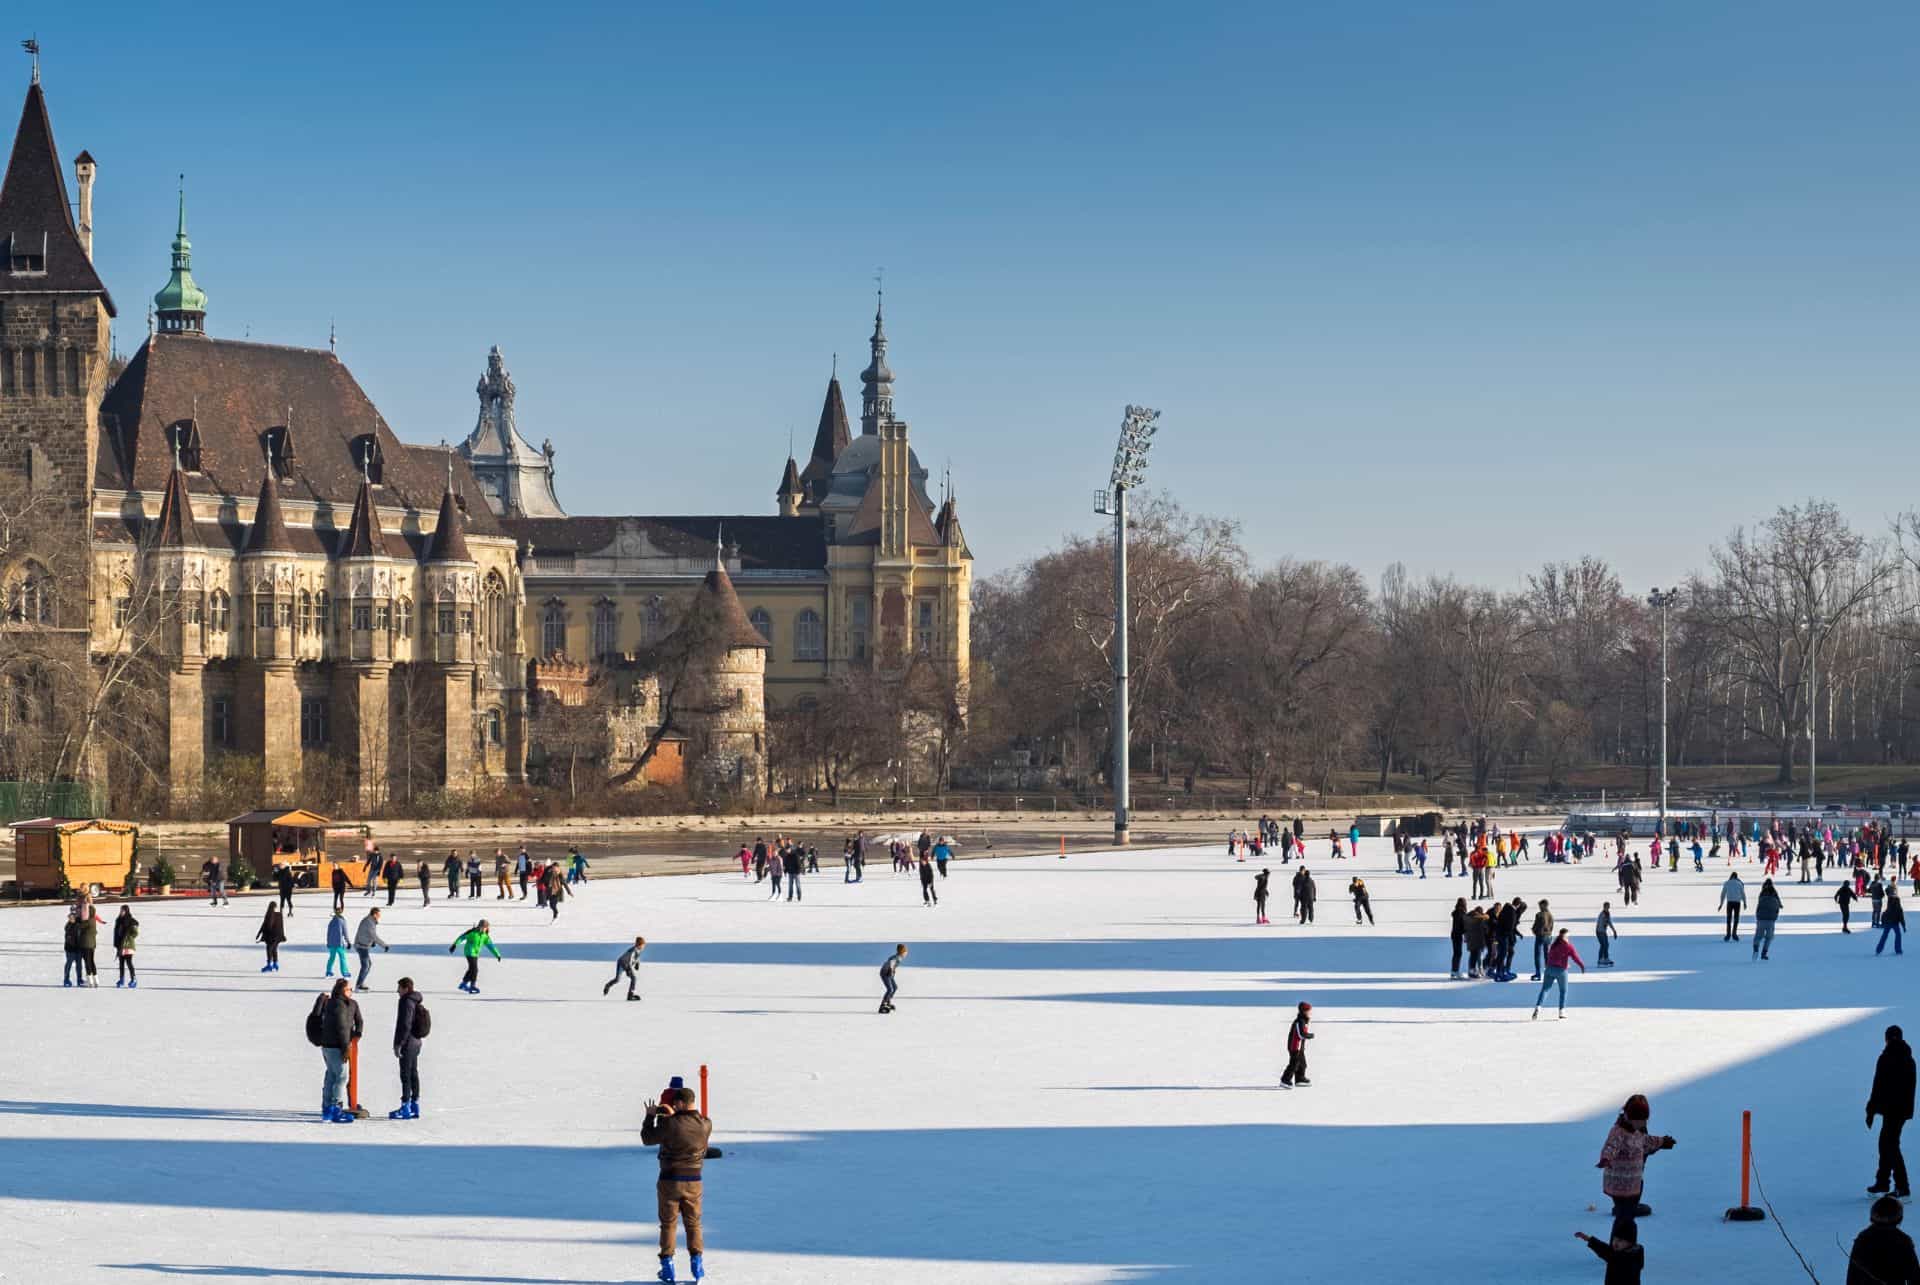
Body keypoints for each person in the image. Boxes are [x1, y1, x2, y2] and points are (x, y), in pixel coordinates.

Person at [642, 1085, 714, 1283]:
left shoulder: (670, 1124)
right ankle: (697, 1264)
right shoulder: (706, 1124)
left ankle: (667, 1267)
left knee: (669, 1224)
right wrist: (673, 1116)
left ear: (681, 1103)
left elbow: (647, 1139)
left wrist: (651, 1116)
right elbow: (688, 1130)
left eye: (675, 1103)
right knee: (694, 1223)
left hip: (670, 1180)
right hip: (695, 1181)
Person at [1597, 1094, 1675, 1223]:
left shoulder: (1637, 1131)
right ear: (1629, 1117)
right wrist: (1606, 1158)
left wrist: (1662, 1142)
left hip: (1633, 1180)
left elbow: (1646, 1141)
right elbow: (1611, 1146)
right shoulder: (1619, 1132)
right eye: (1640, 1120)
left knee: (1636, 1194)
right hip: (1619, 1181)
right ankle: (1623, 1221)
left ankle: (1628, 1210)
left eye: (1645, 1120)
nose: (1644, 1123)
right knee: (1625, 1219)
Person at [1867, 1024, 1916, 1199]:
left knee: (1890, 1145)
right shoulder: (1909, 1059)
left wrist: (1871, 1110)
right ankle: (1883, 1182)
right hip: (1901, 1111)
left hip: (1891, 1110)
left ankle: (1902, 1187)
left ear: (1886, 1038)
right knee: (1886, 1143)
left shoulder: (1886, 1058)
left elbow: (1877, 1086)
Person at [315, 977, 363, 1123]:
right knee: (341, 1077)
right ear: (343, 990)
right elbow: (342, 1028)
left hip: (327, 1045)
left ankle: (327, 1108)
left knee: (331, 1075)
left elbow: (358, 1021)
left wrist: (356, 1033)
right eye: (349, 989)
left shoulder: (333, 1003)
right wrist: (345, 1048)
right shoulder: (340, 1005)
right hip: (336, 1046)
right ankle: (335, 1108)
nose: (351, 992)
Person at [1848, 1195, 1920, 1285]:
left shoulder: (1863, 1238)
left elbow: (1853, 1275)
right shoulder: (1902, 1240)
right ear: (1899, 1218)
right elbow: (1914, 1276)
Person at [389, 977, 427, 1120]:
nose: (397, 991)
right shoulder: (416, 1000)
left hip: (408, 1042)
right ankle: (415, 1105)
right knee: (413, 1073)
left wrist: (398, 1044)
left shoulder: (406, 1001)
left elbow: (404, 1024)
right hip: (417, 1041)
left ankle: (405, 1107)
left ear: (405, 988)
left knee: (405, 1075)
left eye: (399, 988)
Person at [1532, 928, 1585, 1020]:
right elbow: (1575, 957)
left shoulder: (1554, 944)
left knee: (1545, 989)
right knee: (1563, 991)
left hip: (1549, 969)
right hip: (1561, 971)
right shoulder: (1569, 946)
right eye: (1568, 936)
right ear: (1565, 936)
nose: (1569, 938)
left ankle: (1538, 1007)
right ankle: (1561, 1011)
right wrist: (1582, 966)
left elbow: (1550, 956)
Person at [1574, 1220, 1644, 1285]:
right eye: (1614, 1239)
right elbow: (1605, 1250)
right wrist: (1589, 1239)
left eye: (1620, 1240)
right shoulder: (1619, 1252)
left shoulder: (1631, 1257)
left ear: (1630, 1243)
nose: (1615, 1243)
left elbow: (1609, 1253)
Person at [450, 920, 502, 993]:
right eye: (483, 927)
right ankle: (472, 985)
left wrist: (497, 955)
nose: (484, 929)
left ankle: (463, 983)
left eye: (485, 928)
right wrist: (454, 945)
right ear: (479, 926)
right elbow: (462, 937)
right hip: (469, 952)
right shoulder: (472, 932)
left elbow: (491, 946)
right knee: (475, 969)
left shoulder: (485, 936)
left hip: (476, 954)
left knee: (471, 969)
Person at [354, 907, 390, 988]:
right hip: (361, 946)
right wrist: (384, 945)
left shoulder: (370, 921)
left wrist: (372, 942)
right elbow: (373, 935)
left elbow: (367, 933)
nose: (380, 916)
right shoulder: (369, 922)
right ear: (374, 914)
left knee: (368, 965)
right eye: (378, 914)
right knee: (365, 965)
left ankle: (360, 983)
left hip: (363, 945)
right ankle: (359, 984)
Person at [1281, 1001, 1313, 1087]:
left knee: (1302, 1064)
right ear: (1304, 1011)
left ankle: (1300, 1079)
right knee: (1294, 1064)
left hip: (1299, 1047)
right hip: (1294, 1047)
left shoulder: (1304, 1020)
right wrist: (1309, 1035)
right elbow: (1301, 1034)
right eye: (1309, 1011)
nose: (1310, 1012)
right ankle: (1285, 1080)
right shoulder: (1300, 1021)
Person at [605, 936, 646, 1000]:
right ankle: (630, 995)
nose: (644, 947)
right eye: (643, 945)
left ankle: (630, 994)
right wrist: (628, 969)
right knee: (626, 979)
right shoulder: (633, 950)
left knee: (627, 979)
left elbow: (637, 958)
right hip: (622, 963)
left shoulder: (638, 951)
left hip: (626, 964)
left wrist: (637, 964)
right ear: (639, 945)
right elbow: (629, 959)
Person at [1752, 878, 1782, 960]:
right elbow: (1779, 905)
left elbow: (1758, 906)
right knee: (1769, 937)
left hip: (1761, 918)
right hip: (1770, 919)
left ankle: (1755, 948)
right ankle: (1764, 953)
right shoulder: (1774, 893)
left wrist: (1758, 915)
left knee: (1758, 936)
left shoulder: (1762, 894)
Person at [112, 905, 139, 988]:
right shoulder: (118, 920)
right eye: (120, 910)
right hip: (120, 945)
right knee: (121, 963)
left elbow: (135, 933)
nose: (121, 912)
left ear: (126, 911)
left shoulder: (131, 921)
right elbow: (116, 932)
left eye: (123, 911)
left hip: (128, 945)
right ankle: (122, 979)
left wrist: (129, 937)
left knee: (129, 962)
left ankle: (133, 979)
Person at [257, 901, 287, 972]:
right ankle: (275, 964)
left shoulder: (269, 914)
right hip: (277, 935)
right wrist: (282, 935)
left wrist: (259, 933)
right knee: (274, 949)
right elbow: (281, 926)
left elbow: (265, 925)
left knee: (269, 949)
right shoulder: (279, 915)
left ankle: (269, 965)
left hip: (270, 936)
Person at [1530, 899, 1555, 980]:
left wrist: (1534, 930)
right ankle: (1549, 973)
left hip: (1540, 936)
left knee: (1537, 955)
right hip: (1548, 936)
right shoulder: (1550, 915)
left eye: (1540, 905)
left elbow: (1537, 925)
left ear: (1543, 905)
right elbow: (1551, 926)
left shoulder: (1539, 915)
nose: (1539, 907)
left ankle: (1538, 973)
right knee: (1547, 955)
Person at [879, 943, 906, 1013]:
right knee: (890, 989)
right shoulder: (897, 957)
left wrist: (892, 972)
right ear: (902, 952)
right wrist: (890, 970)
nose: (906, 954)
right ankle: (883, 1004)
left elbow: (891, 961)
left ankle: (887, 1001)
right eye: (905, 952)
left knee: (895, 987)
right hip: (885, 973)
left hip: (889, 974)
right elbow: (891, 962)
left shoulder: (898, 957)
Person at [1719, 871, 1746, 941]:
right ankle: (1734, 933)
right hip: (1737, 902)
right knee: (1736, 919)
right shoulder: (1739, 883)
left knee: (1729, 919)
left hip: (1730, 902)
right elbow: (1743, 894)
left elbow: (1723, 894)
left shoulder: (1727, 883)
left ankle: (1728, 934)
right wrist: (1745, 903)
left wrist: (1721, 904)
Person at [1883, 886, 1909, 958]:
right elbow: (1901, 915)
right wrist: (1903, 926)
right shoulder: (1896, 902)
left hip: (1888, 921)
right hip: (1894, 922)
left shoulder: (1890, 900)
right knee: (1898, 935)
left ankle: (1878, 949)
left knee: (1885, 935)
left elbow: (1887, 891)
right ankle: (1898, 950)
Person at [325, 909, 351, 977]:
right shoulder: (342, 921)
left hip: (331, 943)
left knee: (331, 957)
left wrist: (328, 942)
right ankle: (344, 972)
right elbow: (345, 933)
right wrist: (348, 942)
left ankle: (328, 971)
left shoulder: (331, 922)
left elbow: (328, 933)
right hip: (339, 944)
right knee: (342, 958)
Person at [1596, 901, 1618, 967]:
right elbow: (1600, 924)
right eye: (1607, 906)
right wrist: (1602, 931)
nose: (1608, 908)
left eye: (1608, 906)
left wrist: (1614, 931)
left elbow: (1609, 922)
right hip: (1600, 931)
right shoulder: (1602, 914)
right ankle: (1600, 960)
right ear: (1604, 907)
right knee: (1603, 945)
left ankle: (1605, 958)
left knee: (1606, 944)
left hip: (1603, 931)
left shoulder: (1607, 913)